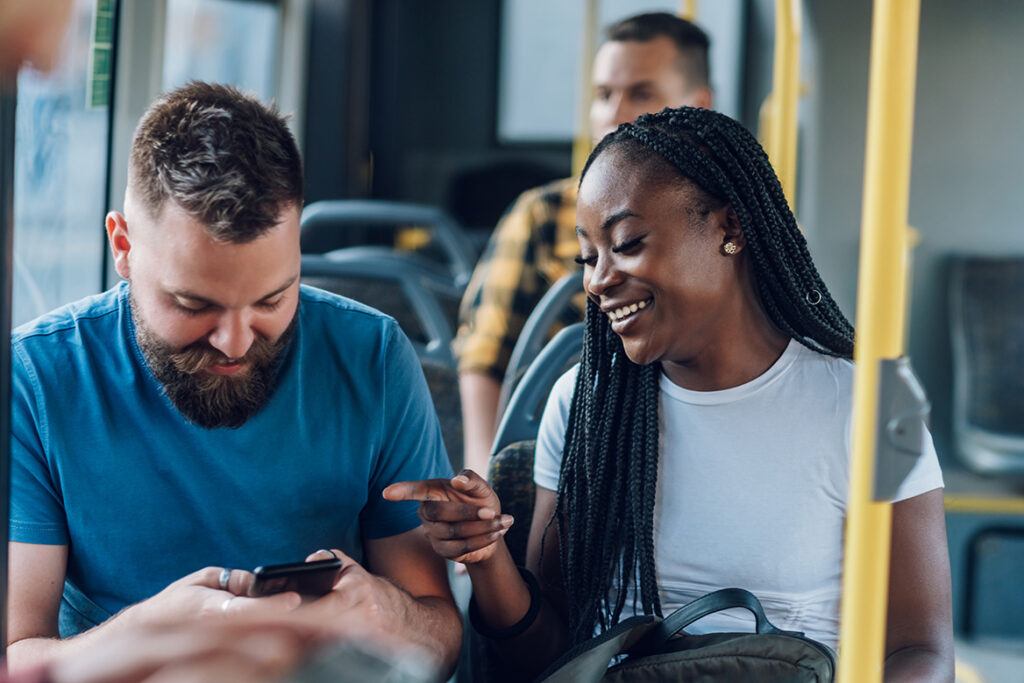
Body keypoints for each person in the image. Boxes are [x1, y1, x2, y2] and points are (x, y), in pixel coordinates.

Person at [388, 107, 954, 681]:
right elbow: (551, 657)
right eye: (588, 257)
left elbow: (922, 650)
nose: (598, 280)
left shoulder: (871, 405)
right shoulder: (585, 403)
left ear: (730, 229)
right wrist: (486, 557)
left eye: (627, 243)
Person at [7, 82, 460, 673]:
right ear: (123, 247)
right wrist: (148, 632)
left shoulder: (373, 357)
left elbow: (442, 636)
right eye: (194, 305)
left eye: (272, 300)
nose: (236, 342)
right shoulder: (36, 380)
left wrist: (389, 612)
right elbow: (15, 659)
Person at [455, 12, 716, 474]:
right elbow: (486, 355)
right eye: (603, 95)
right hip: (571, 452)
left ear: (698, 105)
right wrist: (485, 473)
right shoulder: (543, 214)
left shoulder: (730, 219)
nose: (614, 114)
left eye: (641, 93)